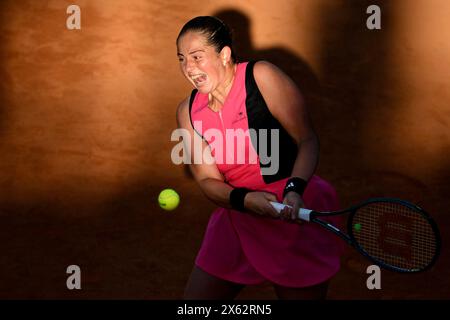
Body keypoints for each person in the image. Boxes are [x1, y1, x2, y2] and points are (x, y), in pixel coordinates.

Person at [175, 16, 342, 300]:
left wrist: (294, 190)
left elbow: (307, 139)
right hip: (240, 216)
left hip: (292, 213)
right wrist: (245, 200)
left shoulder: (261, 76)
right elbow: (206, 179)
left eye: (197, 57)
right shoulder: (188, 112)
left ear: (224, 54)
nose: (189, 68)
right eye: (182, 59)